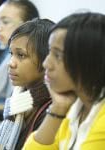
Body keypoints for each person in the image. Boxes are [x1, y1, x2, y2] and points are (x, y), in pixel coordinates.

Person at [23, 12, 105, 150]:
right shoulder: (76, 107)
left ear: (88, 60)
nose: (46, 64)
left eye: (57, 55)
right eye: (50, 52)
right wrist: (58, 108)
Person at [0, 18, 55, 150]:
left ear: (47, 60)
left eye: (21, 55)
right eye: (11, 54)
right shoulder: (19, 97)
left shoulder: (52, 109)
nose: (10, 63)